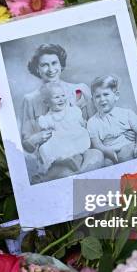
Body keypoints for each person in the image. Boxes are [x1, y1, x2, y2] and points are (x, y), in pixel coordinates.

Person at [20, 43, 103, 182]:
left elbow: (95, 125)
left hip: (83, 148)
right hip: (57, 156)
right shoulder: (30, 99)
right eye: (44, 65)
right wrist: (37, 138)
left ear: (61, 64)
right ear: (37, 69)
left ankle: (81, 175)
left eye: (54, 63)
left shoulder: (80, 90)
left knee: (96, 157)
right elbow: (27, 144)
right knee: (64, 173)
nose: (51, 69)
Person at [87, 75, 137, 164]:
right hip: (108, 152)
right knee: (106, 165)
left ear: (116, 96)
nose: (102, 99)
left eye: (106, 94)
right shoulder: (92, 122)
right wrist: (108, 152)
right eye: (97, 96)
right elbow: (97, 144)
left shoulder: (127, 113)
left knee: (126, 156)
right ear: (93, 100)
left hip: (128, 147)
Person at [37, 83, 92, 174]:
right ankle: (62, 160)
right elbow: (45, 131)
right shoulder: (48, 117)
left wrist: (84, 124)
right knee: (44, 148)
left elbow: (81, 123)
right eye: (56, 97)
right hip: (61, 140)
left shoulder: (73, 110)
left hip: (76, 137)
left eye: (63, 96)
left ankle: (69, 158)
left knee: (82, 134)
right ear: (47, 102)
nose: (61, 99)